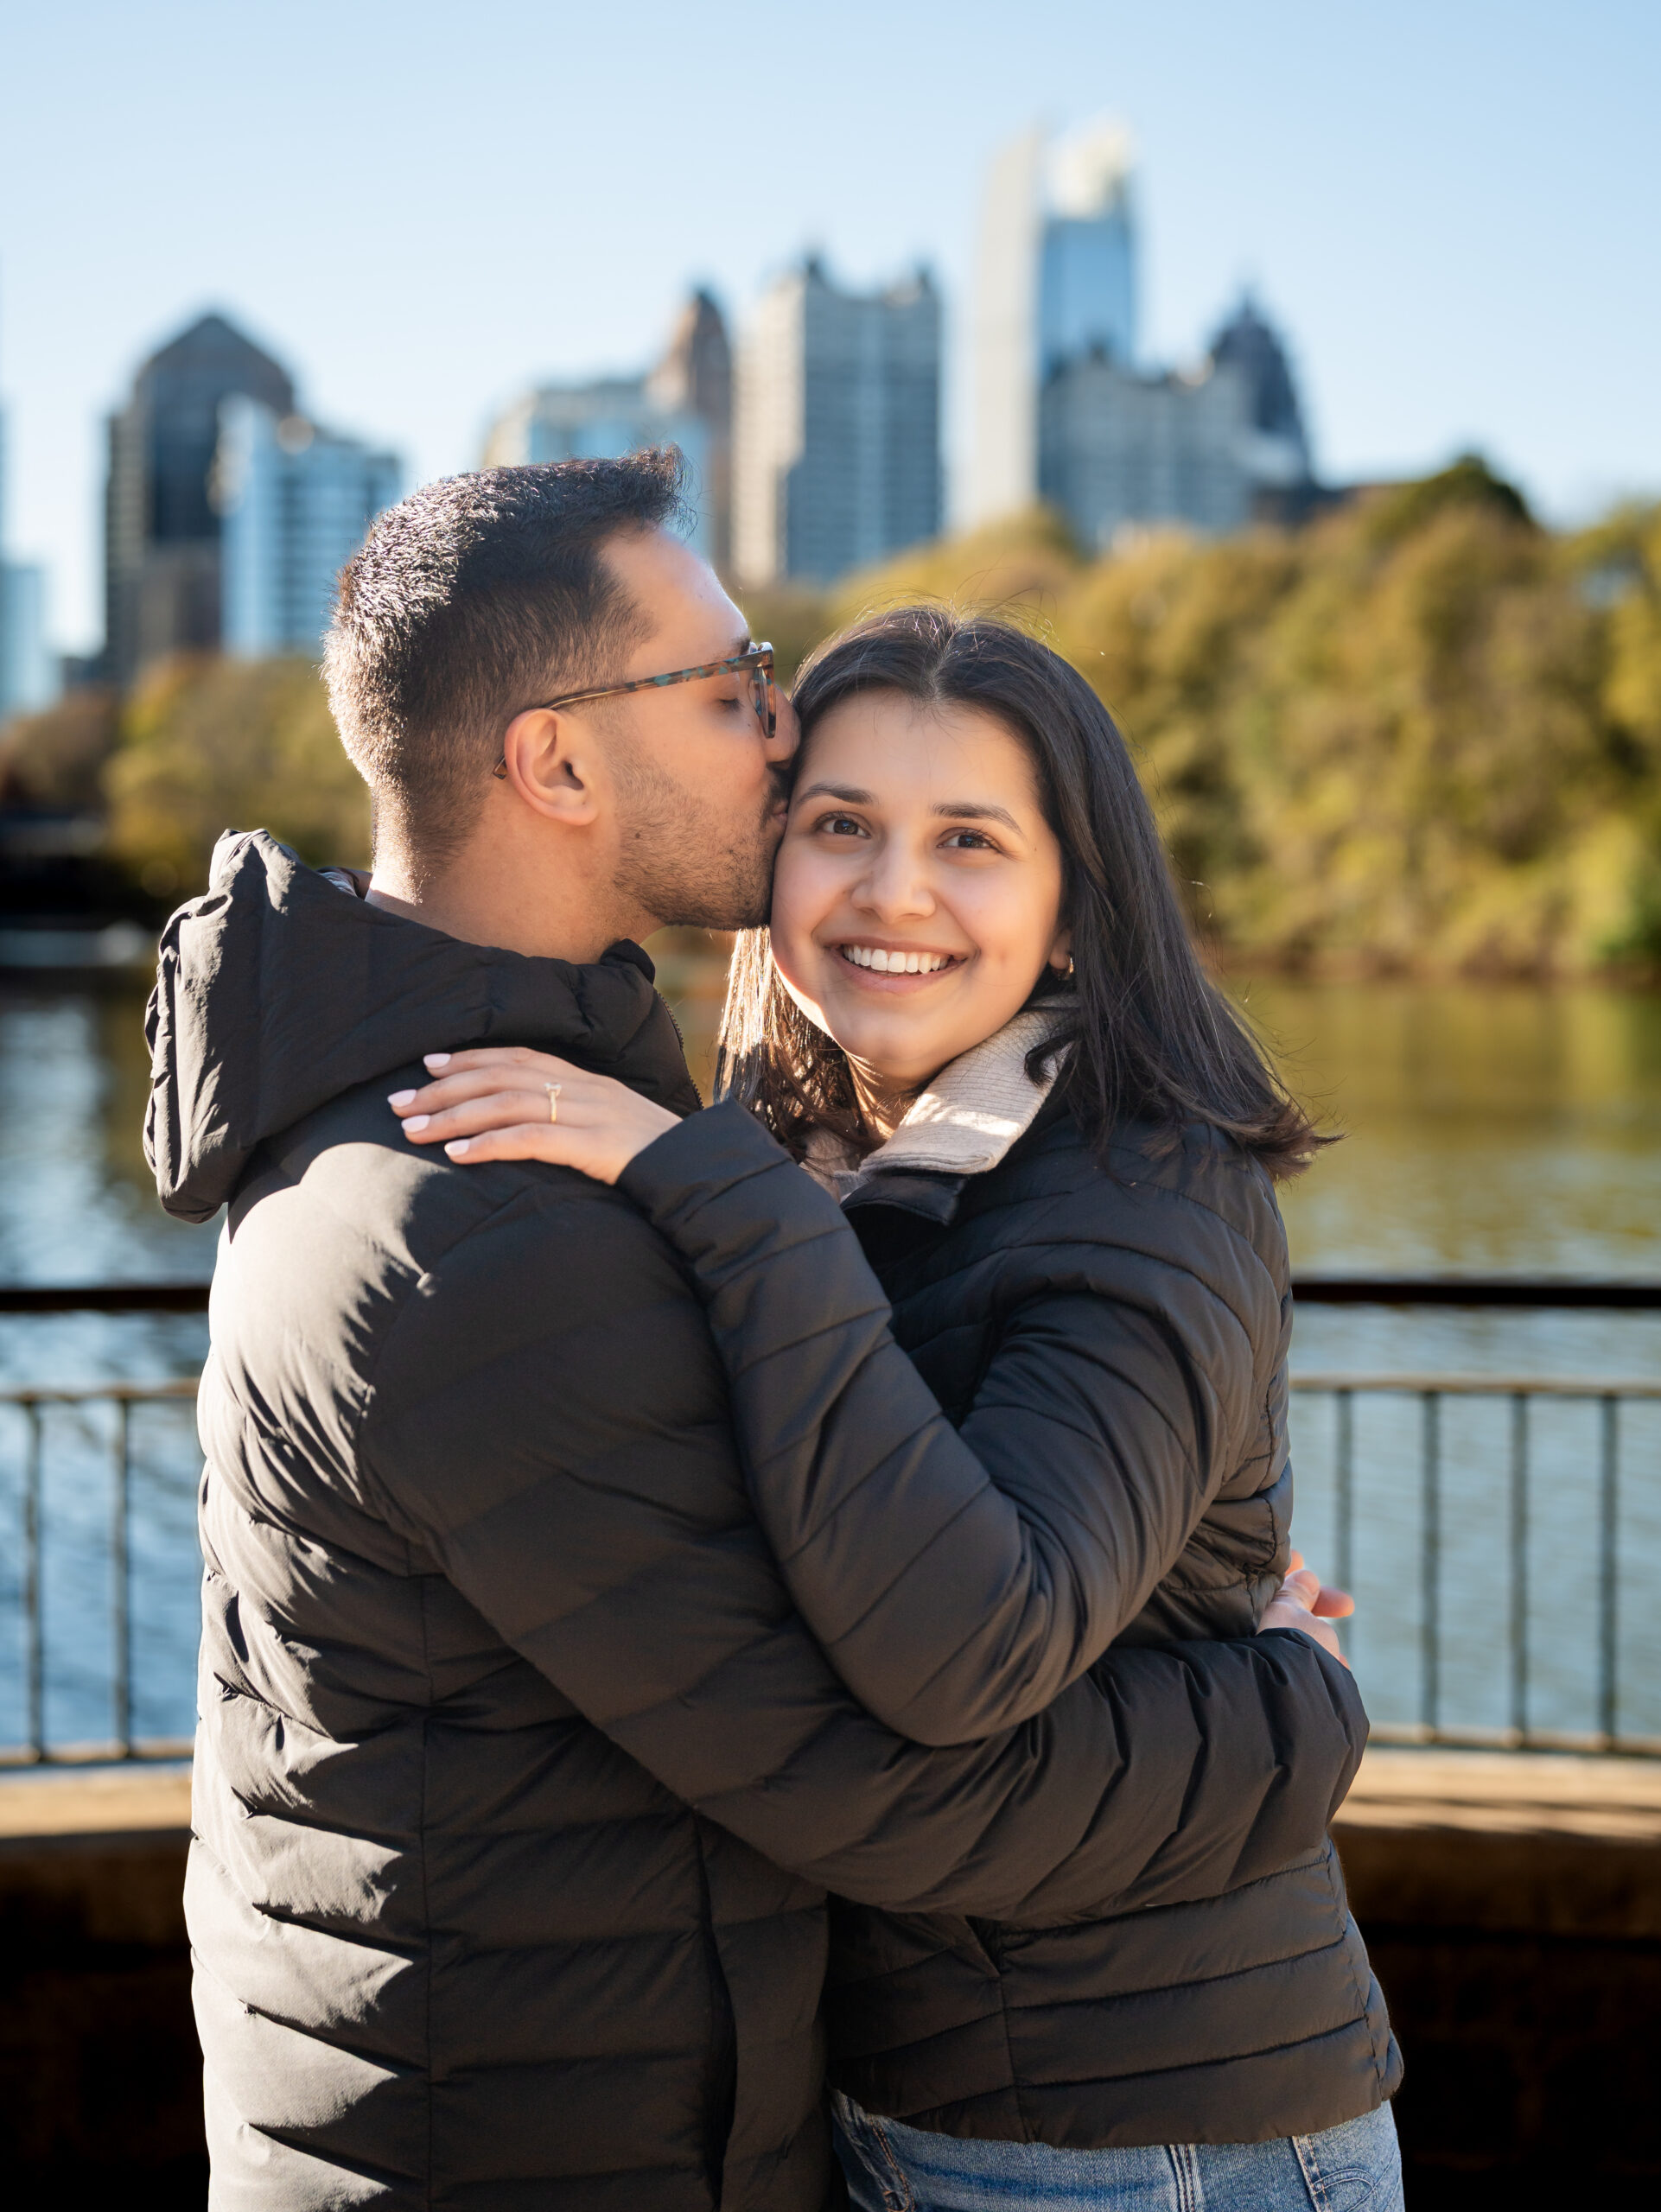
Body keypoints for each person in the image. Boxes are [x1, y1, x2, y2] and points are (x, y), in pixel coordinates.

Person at [148, 453, 1379, 2210]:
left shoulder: (965, 1178)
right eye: (736, 697)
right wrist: (1291, 1710)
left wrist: (711, 1175)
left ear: (1068, 884)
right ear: (558, 758)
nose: (774, 725)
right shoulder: (489, 1214)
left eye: (970, 839)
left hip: (1128, 2121)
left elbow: (948, 1635)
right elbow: (888, 1764)